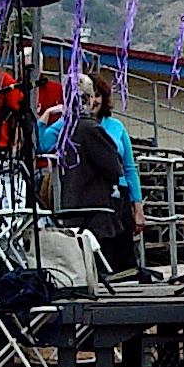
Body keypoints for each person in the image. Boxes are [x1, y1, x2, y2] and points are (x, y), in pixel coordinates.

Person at [41, 73, 143, 277]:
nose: (94, 101)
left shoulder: (113, 127)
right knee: (105, 259)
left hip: (109, 197)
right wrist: (49, 114)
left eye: (98, 95)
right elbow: (44, 144)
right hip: (94, 199)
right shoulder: (76, 126)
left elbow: (128, 167)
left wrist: (137, 204)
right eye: (91, 96)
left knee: (116, 258)